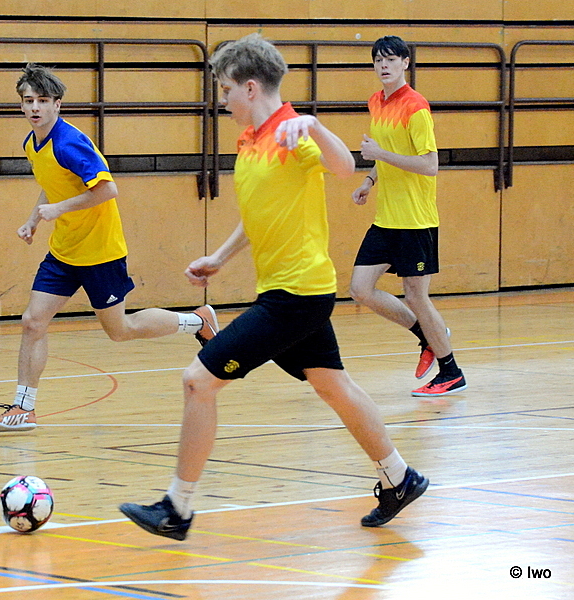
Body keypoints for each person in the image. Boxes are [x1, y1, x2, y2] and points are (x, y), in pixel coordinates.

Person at [119, 34, 429, 540]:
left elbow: (344, 166)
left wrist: (315, 125)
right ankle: (400, 478)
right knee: (333, 386)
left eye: (225, 90)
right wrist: (220, 257)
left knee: (198, 380)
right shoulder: (250, 141)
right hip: (287, 292)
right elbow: (259, 213)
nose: (222, 100)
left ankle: (177, 508)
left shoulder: (292, 133)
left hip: (297, 296)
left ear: (249, 87)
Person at [0, 63, 218, 433]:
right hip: (64, 251)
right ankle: (23, 408)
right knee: (33, 321)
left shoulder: (70, 142)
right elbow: (55, 183)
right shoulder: (33, 143)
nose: (34, 107)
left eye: (42, 100)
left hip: (100, 252)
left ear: (57, 104)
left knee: (120, 330)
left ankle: (197, 322)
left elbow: (107, 189)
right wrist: (34, 220)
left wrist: (59, 209)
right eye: (28, 101)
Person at [349, 35, 466, 397]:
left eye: (390, 59)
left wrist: (380, 154)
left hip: (415, 220)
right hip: (387, 218)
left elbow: (429, 165)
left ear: (405, 63)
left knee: (416, 296)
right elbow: (387, 154)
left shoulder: (416, 107)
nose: (383, 65)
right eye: (378, 60)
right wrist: (369, 180)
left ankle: (451, 373)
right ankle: (427, 335)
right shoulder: (376, 101)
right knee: (360, 289)